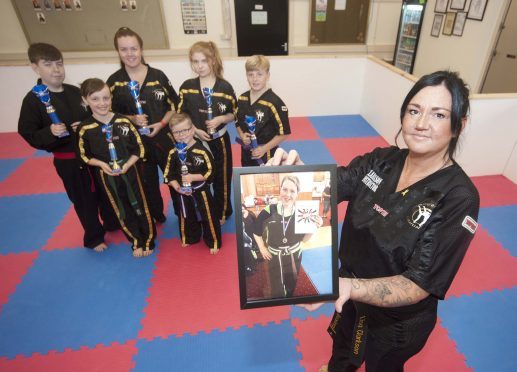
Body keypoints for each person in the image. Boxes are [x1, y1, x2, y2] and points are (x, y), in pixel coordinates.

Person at [268, 71, 480, 372]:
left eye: (439, 114)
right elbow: (333, 184)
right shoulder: (382, 160)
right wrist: (300, 173)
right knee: (342, 350)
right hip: (348, 293)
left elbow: (418, 283)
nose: (421, 124)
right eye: (414, 110)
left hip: (397, 321)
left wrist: (348, 287)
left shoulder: (459, 197)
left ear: (460, 124)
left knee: (383, 365)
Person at [18, 43, 114, 253]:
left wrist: (86, 125)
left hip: (93, 156)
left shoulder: (74, 92)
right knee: (84, 199)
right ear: (35, 67)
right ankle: (93, 237)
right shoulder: (33, 100)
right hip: (68, 160)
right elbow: (27, 132)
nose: (56, 69)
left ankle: (112, 223)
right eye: (48, 64)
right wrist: (50, 132)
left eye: (59, 64)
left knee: (105, 193)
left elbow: (94, 115)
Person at [107, 27, 179, 224]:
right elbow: (108, 113)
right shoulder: (114, 82)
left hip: (163, 137)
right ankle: (155, 215)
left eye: (134, 48)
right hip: (134, 143)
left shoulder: (158, 76)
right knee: (146, 183)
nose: (130, 54)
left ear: (141, 49)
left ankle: (183, 214)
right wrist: (131, 118)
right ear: (118, 52)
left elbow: (174, 105)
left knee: (174, 175)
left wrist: (162, 123)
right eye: (124, 49)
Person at [77, 78, 156, 258]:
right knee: (121, 208)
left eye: (106, 98)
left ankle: (149, 238)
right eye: (95, 99)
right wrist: (101, 164)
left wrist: (128, 164)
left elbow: (139, 148)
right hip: (107, 175)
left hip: (130, 170)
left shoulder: (124, 122)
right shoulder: (85, 128)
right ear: (85, 100)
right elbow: (83, 155)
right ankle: (136, 240)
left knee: (140, 204)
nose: (102, 103)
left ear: (111, 98)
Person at [177, 41, 236, 224]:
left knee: (222, 177)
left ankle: (222, 212)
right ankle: (202, 209)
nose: (200, 65)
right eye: (195, 61)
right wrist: (194, 130)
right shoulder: (187, 87)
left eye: (204, 60)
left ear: (213, 61)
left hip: (219, 140)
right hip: (193, 142)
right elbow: (180, 115)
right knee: (197, 177)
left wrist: (221, 119)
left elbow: (234, 113)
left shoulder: (225, 88)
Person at [254, 175, 323, 298]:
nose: (288, 194)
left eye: (292, 191)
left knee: (292, 284)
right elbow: (255, 230)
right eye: (285, 189)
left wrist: (314, 228)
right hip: (274, 256)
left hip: (294, 255)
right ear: (280, 190)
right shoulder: (269, 210)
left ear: (297, 194)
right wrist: (262, 248)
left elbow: (305, 240)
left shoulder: (302, 213)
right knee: (276, 288)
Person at [163, 113, 221, 254]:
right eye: (177, 132)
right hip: (182, 192)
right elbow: (168, 174)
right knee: (186, 216)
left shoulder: (202, 151)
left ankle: (213, 241)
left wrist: (192, 177)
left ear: (192, 129)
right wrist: (177, 186)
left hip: (201, 190)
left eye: (185, 130)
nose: (181, 135)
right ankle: (190, 237)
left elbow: (210, 172)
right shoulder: (173, 153)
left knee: (208, 216)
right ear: (172, 134)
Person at [236, 55, 291, 166]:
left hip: (267, 153)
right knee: (247, 179)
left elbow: (284, 133)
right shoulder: (242, 98)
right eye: (251, 75)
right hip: (247, 151)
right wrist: (241, 135)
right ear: (246, 76)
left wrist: (264, 148)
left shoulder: (274, 103)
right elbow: (238, 122)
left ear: (267, 76)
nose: (255, 79)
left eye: (259, 74)